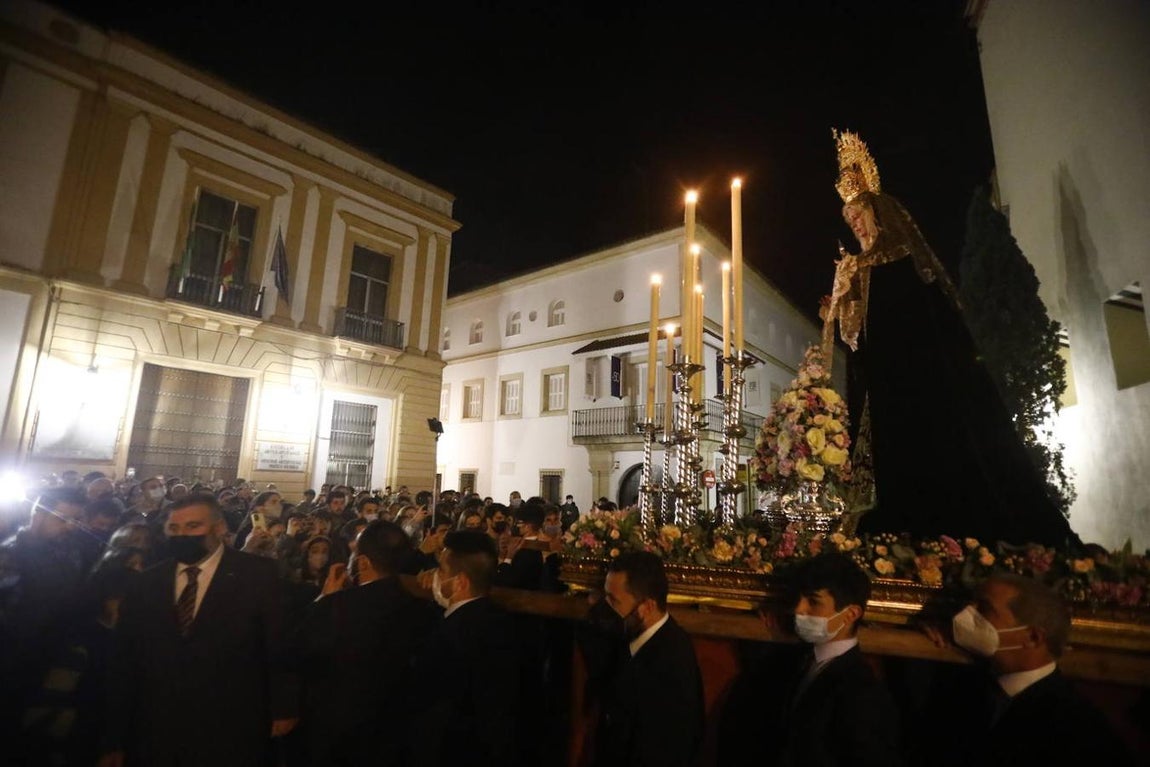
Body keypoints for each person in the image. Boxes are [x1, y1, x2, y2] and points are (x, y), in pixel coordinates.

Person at [822, 129, 1079, 549]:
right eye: (849, 222)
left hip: (920, 378)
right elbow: (858, 337)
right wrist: (841, 303)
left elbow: (918, 322)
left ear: (879, 213)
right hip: (886, 384)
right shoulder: (860, 268)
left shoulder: (900, 260)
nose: (855, 226)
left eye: (859, 217)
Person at [99, 494, 298, 766]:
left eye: (193, 527)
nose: (182, 535)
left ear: (219, 528)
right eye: (174, 528)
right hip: (158, 725)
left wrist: (283, 706)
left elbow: (278, 642)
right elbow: (124, 659)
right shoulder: (146, 583)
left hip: (231, 721)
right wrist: (114, 737)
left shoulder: (257, 574)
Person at [925, 573, 1134, 766]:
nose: (966, 614)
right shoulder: (962, 686)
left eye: (984, 609)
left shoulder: (1077, 725)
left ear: (1032, 638)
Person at [295, 521, 436, 766]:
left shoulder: (337, 605)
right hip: (397, 730)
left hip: (338, 732)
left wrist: (324, 598)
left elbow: (300, 647)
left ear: (362, 562)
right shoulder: (424, 609)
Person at [758, 552, 903, 766]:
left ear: (851, 614)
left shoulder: (861, 690)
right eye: (798, 599)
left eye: (814, 602)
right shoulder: (802, 660)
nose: (799, 609)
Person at [409, 531, 522, 767]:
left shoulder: (449, 637)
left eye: (441, 570)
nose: (435, 576)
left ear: (460, 582)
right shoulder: (501, 621)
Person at [593, 551, 703, 767]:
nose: (606, 608)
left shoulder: (671, 664)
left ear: (647, 607)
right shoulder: (636, 639)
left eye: (614, 601)